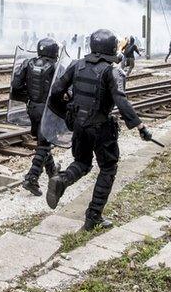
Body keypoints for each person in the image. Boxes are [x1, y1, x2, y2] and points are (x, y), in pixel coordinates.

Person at [44, 29, 154, 231]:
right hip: (101, 127)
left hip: (79, 124)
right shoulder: (113, 71)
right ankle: (93, 216)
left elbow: (56, 92)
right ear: (111, 48)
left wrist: (67, 112)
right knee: (108, 168)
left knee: (82, 163)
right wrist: (140, 126)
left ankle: (61, 179)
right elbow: (121, 101)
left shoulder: (76, 65)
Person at [10, 38, 60, 196]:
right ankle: (31, 178)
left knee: (42, 140)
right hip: (48, 109)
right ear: (54, 51)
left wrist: (29, 96)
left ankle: (53, 172)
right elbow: (61, 88)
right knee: (45, 144)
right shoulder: (56, 67)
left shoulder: (27, 63)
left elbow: (16, 85)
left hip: (32, 107)